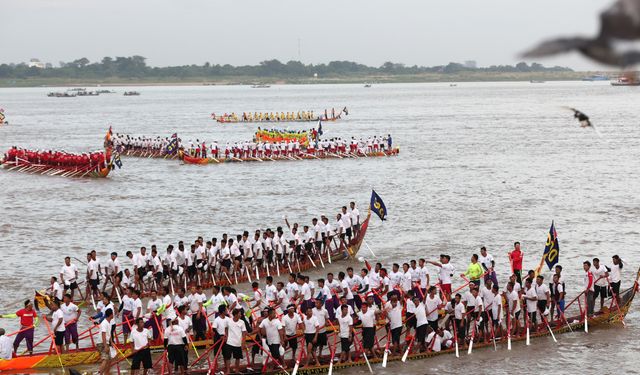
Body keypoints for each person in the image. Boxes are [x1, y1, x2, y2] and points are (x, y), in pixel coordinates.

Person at [223, 309, 247, 375]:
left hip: (238, 343)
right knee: (228, 357)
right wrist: (226, 335)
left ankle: (236, 370)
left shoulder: (242, 322)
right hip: (229, 342)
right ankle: (228, 371)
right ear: (236, 314)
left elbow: (244, 333)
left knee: (237, 358)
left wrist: (243, 343)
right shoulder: (229, 321)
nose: (241, 315)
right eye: (239, 314)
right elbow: (226, 328)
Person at [99, 309, 116, 375]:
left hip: (106, 343)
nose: (113, 315)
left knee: (109, 360)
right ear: (111, 315)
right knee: (105, 360)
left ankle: (107, 373)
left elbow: (109, 334)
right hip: (101, 343)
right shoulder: (104, 323)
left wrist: (111, 342)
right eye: (113, 314)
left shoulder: (109, 323)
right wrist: (105, 345)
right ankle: (100, 374)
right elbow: (103, 334)